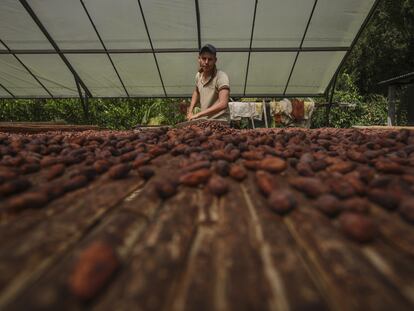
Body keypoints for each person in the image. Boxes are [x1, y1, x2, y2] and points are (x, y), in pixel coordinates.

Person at [187, 44, 230, 121]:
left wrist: (198, 114)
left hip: (220, 120)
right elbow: (196, 91)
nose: (206, 62)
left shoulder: (221, 76)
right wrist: (190, 111)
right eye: (204, 58)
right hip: (206, 121)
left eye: (210, 59)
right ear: (199, 59)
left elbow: (223, 104)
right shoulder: (198, 76)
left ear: (215, 60)